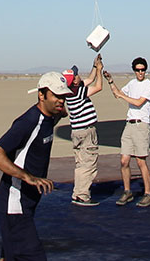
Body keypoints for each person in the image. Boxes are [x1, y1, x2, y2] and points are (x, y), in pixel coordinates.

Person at [0, 71, 73, 260]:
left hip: (26, 202)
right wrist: (28, 177)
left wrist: (70, 89)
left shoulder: (50, 117)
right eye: (56, 96)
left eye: (63, 96)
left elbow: (63, 112)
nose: (61, 101)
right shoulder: (28, 122)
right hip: (15, 204)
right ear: (41, 95)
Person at [107, 56, 150, 206]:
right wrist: (110, 81)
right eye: (138, 70)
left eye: (142, 70)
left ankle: (148, 194)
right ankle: (127, 191)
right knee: (124, 160)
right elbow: (117, 94)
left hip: (141, 125)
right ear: (134, 71)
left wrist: (123, 95)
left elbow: (138, 102)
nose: (140, 73)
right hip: (129, 124)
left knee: (141, 161)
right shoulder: (131, 83)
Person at [63, 55, 105, 205]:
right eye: (76, 75)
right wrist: (99, 71)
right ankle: (82, 195)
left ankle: (78, 193)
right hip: (86, 131)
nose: (78, 75)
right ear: (74, 80)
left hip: (76, 132)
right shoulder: (79, 92)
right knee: (88, 164)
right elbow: (98, 86)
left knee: (81, 164)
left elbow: (89, 79)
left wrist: (95, 66)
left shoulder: (70, 91)